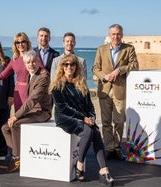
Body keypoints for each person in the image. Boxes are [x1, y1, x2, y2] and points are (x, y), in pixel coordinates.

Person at [49, 54, 114, 186]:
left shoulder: (81, 83)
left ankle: (103, 169)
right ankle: (80, 163)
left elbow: (90, 105)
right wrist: (83, 118)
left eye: (72, 64)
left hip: (83, 117)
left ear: (76, 67)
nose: (69, 67)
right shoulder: (57, 84)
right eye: (66, 64)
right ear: (62, 67)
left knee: (96, 132)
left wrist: (91, 117)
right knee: (88, 131)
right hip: (65, 117)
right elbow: (63, 108)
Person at [0, 50, 52, 172]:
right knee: (5, 128)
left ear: (38, 62)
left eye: (34, 61)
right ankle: (20, 155)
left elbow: (32, 100)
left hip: (42, 112)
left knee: (15, 124)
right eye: (28, 62)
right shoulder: (30, 74)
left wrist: (16, 116)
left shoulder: (43, 77)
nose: (31, 64)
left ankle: (16, 157)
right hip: (32, 111)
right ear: (25, 64)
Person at [92, 24, 139, 160]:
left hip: (120, 89)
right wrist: (104, 76)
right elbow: (95, 68)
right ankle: (109, 148)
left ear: (122, 35)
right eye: (113, 34)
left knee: (119, 121)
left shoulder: (129, 49)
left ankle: (117, 148)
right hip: (105, 89)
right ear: (109, 35)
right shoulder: (101, 49)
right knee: (106, 122)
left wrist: (119, 70)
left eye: (118, 34)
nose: (116, 36)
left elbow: (135, 65)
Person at [0, 32, 43, 112]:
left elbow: (44, 73)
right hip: (19, 92)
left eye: (23, 41)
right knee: (19, 119)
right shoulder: (14, 59)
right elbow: (2, 75)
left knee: (32, 118)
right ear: (15, 44)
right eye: (17, 42)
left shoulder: (34, 56)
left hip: (32, 91)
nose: (20, 44)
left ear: (27, 43)